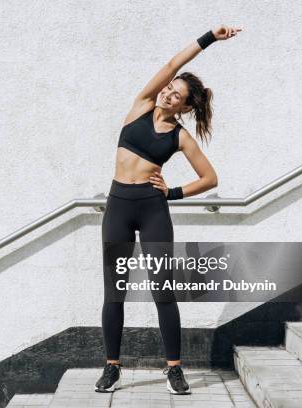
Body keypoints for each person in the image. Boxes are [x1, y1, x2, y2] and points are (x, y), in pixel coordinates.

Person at [95, 25, 242, 395]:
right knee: (115, 290)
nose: (167, 93)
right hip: (118, 206)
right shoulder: (142, 104)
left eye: (176, 95)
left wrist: (173, 192)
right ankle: (112, 367)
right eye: (168, 87)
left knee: (163, 289)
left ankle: (174, 369)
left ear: (186, 106)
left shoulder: (179, 136)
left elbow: (210, 178)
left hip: (152, 210)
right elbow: (174, 61)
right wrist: (210, 36)